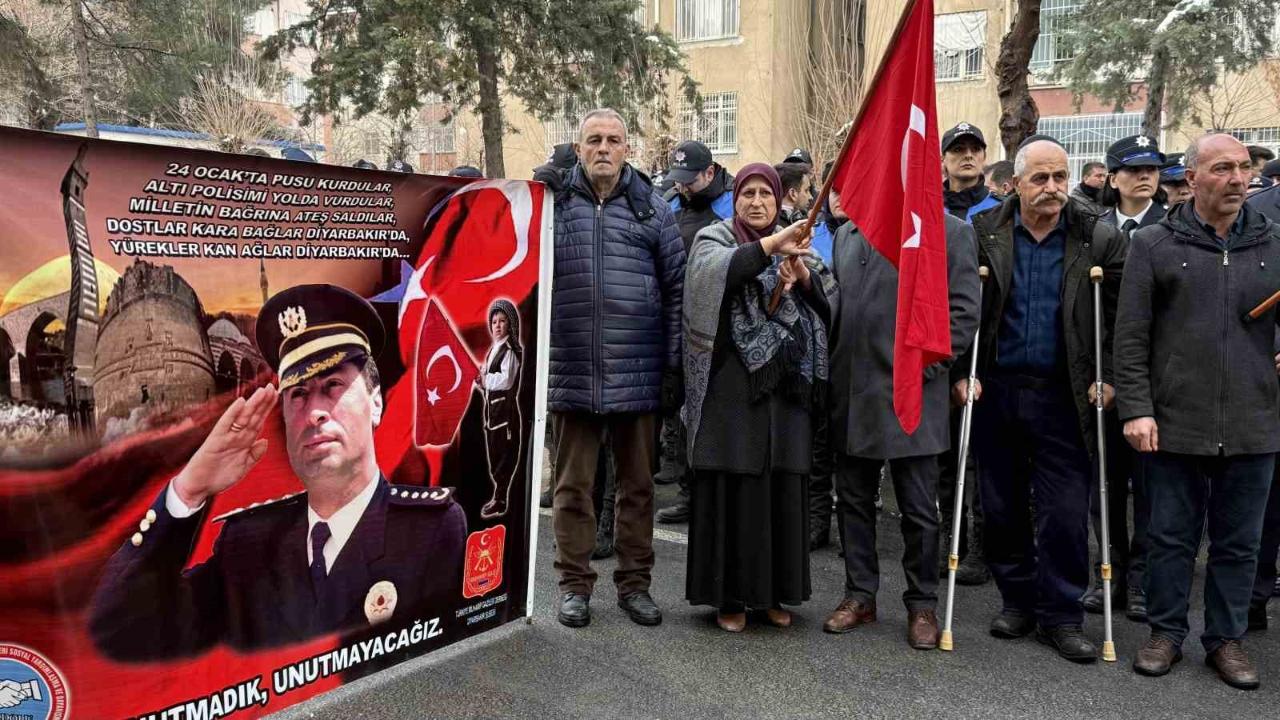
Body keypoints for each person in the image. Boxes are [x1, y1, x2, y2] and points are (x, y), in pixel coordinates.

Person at [89, 285, 467, 660]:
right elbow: (118, 627)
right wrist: (187, 492)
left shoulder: (428, 530)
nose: (314, 412)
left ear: (375, 402)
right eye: (298, 394)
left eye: (332, 385)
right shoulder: (247, 543)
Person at [1118, 133, 1280, 690]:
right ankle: (1165, 633)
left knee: (1240, 543)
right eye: (1222, 169)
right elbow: (1131, 337)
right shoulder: (1155, 244)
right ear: (1191, 179)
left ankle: (1227, 640)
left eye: (1242, 168)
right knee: (1170, 537)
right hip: (1174, 420)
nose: (1238, 179)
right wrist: (1136, 409)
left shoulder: (1274, 243)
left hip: (1255, 421)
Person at [962, 140, 1127, 663]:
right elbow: (965, 308)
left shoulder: (1095, 236)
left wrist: (1113, 376)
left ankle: (1061, 614)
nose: (1054, 188)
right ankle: (1017, 601)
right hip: (999, 388)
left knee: (1064, 509)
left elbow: (1123, 318)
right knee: (1003, 505)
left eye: (1061, 177)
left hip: (1065, 392)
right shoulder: (984, 234)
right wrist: (959, 374)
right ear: (1016, 182)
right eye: (1041, 179)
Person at [549, 108, 684, 629]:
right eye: (593, 140)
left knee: (638, 489)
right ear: (579, 148)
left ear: (628, 148)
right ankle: (574, 586)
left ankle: (635, 586)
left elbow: (675, 291)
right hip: (572, 372)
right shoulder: (554, 205)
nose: (603, 148)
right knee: (572, 490)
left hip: (639, 373)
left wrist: (671, 367)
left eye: (613, 140)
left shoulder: (654, 210)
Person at [824, 205, 980, 649]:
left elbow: (964, 311)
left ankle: (922, 603)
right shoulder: (848, 233)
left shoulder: (950, 231)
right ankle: (860, 595)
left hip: (915, 392)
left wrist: (927, 369)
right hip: (855, 390)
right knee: (852, 501)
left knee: (918, 509)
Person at [682, 163, 829, 632]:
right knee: (733, 495)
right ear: (737, 198)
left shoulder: (800, 241)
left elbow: (827, 303)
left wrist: (803, 276)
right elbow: (711, 277)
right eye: (749, 193)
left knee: (779, 493)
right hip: (730, 390)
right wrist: (769, 248)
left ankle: (773, 596)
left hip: (783, 394)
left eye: (767, 193)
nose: (758, 202)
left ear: (779, 199)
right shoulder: (715, 237)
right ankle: (729, 598)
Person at [1080, 135, 1165, 623]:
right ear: (1113, 179)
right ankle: (1107, 573)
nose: (1145, 177)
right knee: (1105, 485)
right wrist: (1100, 374)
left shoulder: (1172, 227)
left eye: (1152, 168)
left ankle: (1144, 581)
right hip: (1103, 379)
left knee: (1151, 489)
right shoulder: (1095, 231)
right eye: (1133, 170)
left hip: (1155, 382)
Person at [654, 140, 733, 524]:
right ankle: (689, 492)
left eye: (691, 180)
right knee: (685, 417)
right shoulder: (671, 205)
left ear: (710, 173)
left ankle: (718, 495)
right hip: (681, 328)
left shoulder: (732, 207)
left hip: (722, 329)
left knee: (718, 416)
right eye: (678, 180)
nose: (683, 187)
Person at [479, 299, 523, 519]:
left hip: (505, 414)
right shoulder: (493, 349)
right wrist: (481, 382)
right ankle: (498, 494)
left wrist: (485, 379)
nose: (497, 325)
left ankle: (501, 498)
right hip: (492, 414)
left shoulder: (509, 351)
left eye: (502, 321)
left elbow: (505, 381)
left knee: (504, 456)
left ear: (510, 324)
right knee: (494, 454)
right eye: (494, 321)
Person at [941, 123, 1000, 221]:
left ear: (984, 157)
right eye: (958, 149)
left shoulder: (1002, 209)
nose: (968, 155)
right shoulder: (927, 208)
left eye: (976, 149)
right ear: (943, 159)